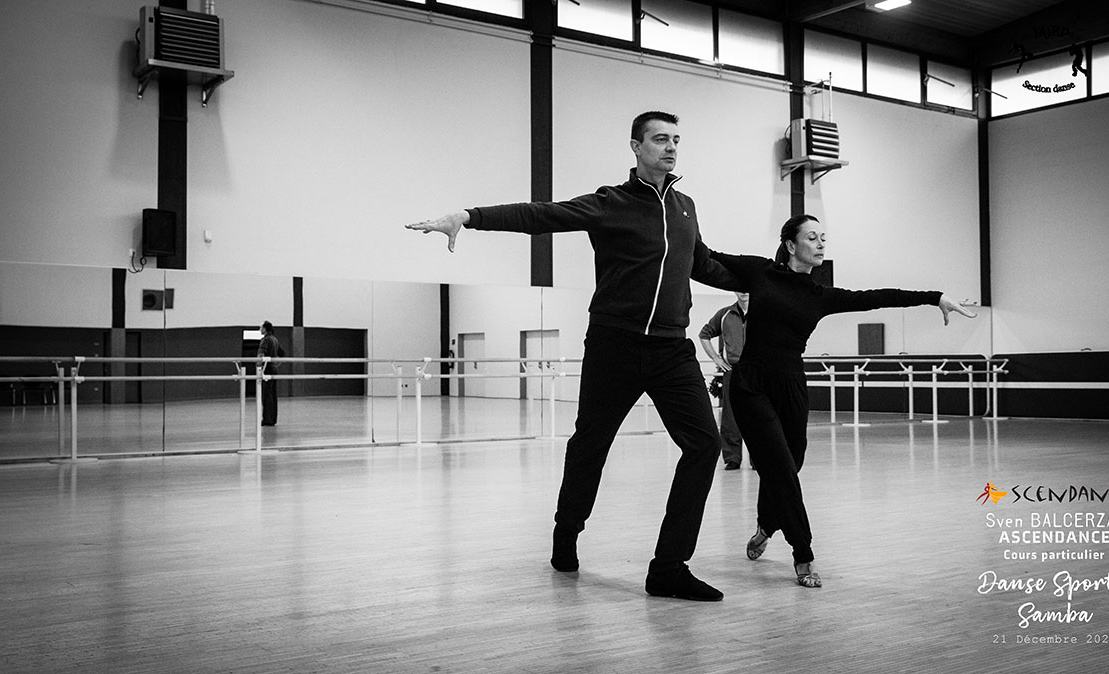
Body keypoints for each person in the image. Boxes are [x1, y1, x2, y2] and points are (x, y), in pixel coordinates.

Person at [407, 111, 740, 602]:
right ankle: (567, 532)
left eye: (675, 140)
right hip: (614, 344)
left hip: (672, 347)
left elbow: (704, 264)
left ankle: (669, 567)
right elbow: (541, 214)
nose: (670, 148)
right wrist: (469, 217)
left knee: (704, 445)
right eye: (660, 139)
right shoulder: (611, 203)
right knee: (591, 445)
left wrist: (764, 279)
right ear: (635, 146)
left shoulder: (685, 206)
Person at [709, 215, 976, 588]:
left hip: (791, 386)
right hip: (751, 384)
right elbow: (706, 256)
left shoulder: (821, 295)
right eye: (812, 237)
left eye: (823, 238)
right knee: (781, 468)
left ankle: (766, 524)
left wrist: (933, 298)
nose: (821, 244)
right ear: (790, 245)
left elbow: (877, 298)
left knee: (790, 463)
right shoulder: (760, 272)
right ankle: (803, 553)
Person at [698, 292, 749, 470]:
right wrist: (716, 359)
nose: (743, 291)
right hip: (733, 372)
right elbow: (704, 334)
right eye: (739, 288)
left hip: (757, 372)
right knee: (731, 415)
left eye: (746, 288)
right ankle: (732, 457)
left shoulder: (763, 313)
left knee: (760, 415)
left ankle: (759, 457)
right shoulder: (725, 314)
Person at [256, 321, 285, 427]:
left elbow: (261, 354)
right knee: (272, 395)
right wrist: (276, 364)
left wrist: (258, 368)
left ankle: (267, 420)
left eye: (261, 327)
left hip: (266, 369)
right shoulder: (275, 339)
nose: (260, 329)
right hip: (273, 369)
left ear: (265, 329)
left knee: (266, 395)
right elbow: (282, 354)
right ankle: (272, 419)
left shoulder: (266, 340)